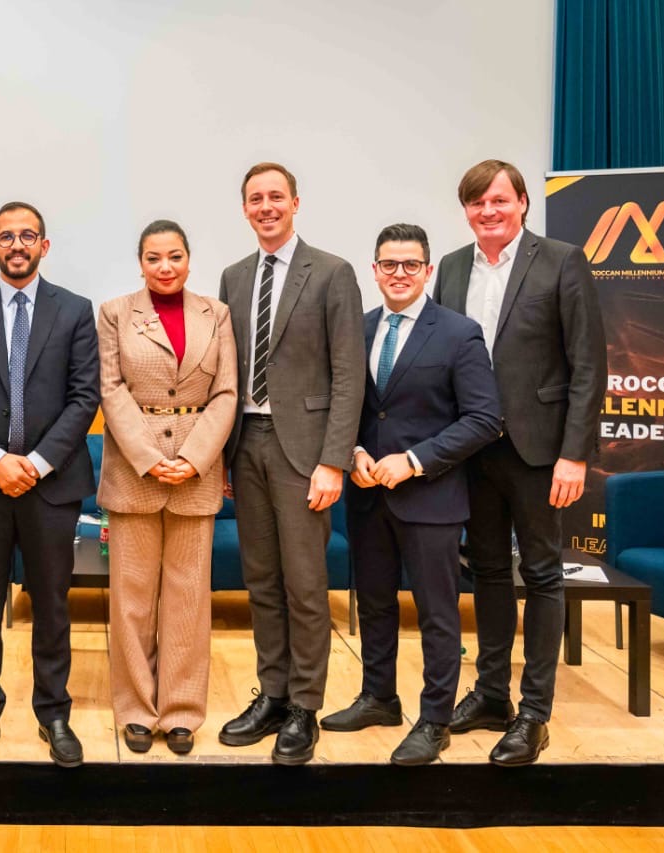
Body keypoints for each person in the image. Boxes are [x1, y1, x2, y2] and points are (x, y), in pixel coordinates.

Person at [434, 159, 606, 765]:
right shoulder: (452, 267)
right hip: (471, 450)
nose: (489, 211)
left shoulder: (561, 261)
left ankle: (535, 712)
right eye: (477, 202)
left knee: (541, 575)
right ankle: (491, 694)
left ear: (523, 203)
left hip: (538, 452)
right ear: (466, 210)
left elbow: (588, 365)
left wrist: (574, 455)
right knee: (485, 572)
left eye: (500, 200)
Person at [320, 223, 501, 765]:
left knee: (436, 614)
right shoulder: (357, 328)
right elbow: (348, 405)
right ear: (374, 270)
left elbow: (484, 419)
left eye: (410, 265)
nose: (399, 274)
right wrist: (352, 452)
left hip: (431, 498)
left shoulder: (459, 333)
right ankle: (379, 697)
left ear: (427, 270)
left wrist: (415, 461)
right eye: (389, 264)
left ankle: (435, 720)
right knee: (374, 604)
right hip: (367, 495)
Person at [0, 201, 100, 770]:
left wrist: (35, 462)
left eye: (27, 235)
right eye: (5, 237)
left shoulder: (75, 311)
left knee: (51, 607)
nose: (17, 245)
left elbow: (85, 396)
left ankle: (54, 713)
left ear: (44, 246)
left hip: (51, 486)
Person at [217, 162, 366, 765]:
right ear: (244, 209)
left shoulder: (332, 272)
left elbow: (349, 374)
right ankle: (273, 695)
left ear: (296, 203)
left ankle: (305, 704)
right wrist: (221, 455)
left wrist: (334, 461)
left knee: (305, 584)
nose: (266, 206)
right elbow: (225, 371)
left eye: (276, 196)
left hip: (303, 451)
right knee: (261, 581)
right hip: (245, 442)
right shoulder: (233, 277)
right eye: (255, 198)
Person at [96, 220, 237, 756]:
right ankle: (136, 710)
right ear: (140, 264)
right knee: (132, 600)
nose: (165, 267)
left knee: (188, 599)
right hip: (135, 472)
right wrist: (151, 458)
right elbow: (110, 389)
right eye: (154, 258)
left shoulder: (215, 313)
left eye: (175, 256)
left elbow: (226, 392)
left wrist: (195, 458)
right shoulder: (115, 313)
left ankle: (180, 712)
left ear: (188, 259)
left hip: (196, 472)